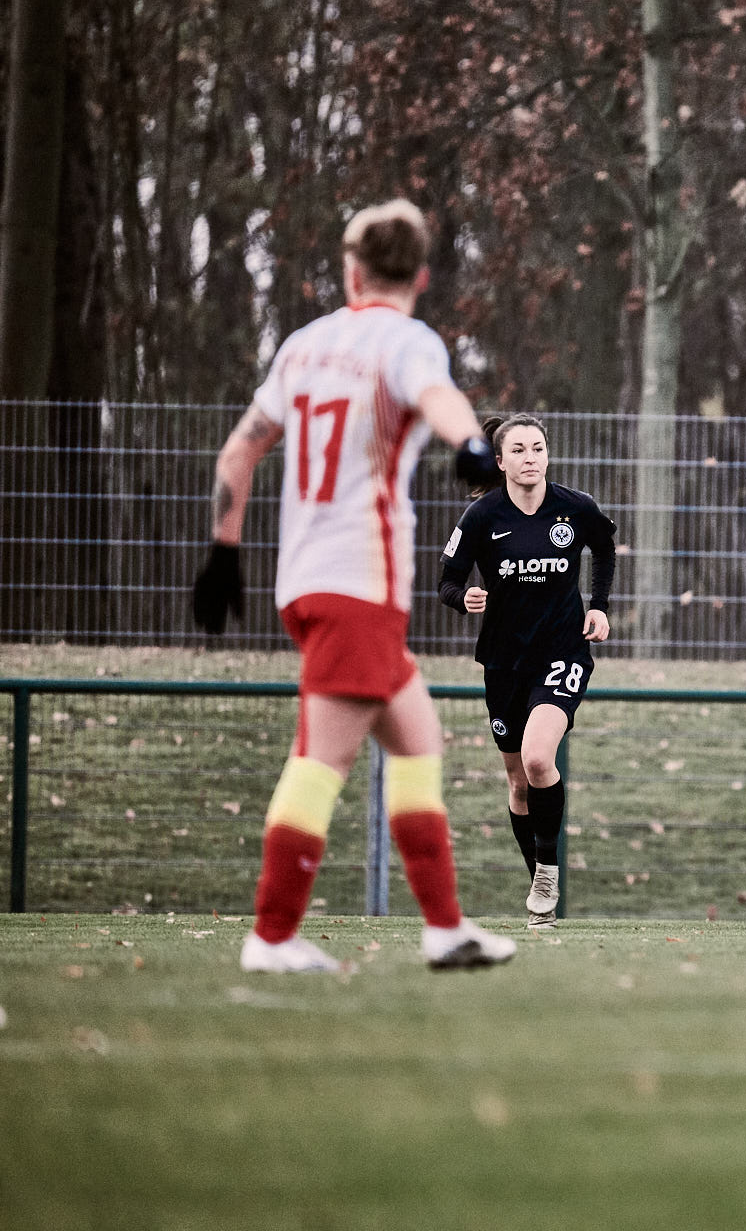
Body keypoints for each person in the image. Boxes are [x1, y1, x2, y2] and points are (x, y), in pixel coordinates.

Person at [192, 198, 518, 973]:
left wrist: (223, 554)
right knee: (320, 762)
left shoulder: (305, 346)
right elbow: (437, 398)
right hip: (358, 583)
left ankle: (445, 929)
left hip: (305, 581)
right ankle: (270, 938)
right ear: (424, 276)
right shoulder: (405, 340)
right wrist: (472, 442)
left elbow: (238, 455)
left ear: (352, 269)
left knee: (417, 738)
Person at [437, 413, 616, 928]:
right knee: (518, 784)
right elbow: (447, 581)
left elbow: (603, 547)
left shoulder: (574, 508)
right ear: (501, 461)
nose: (530, 457)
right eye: (518, 450)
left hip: (563, 651)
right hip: (503, 660)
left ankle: (548, 875)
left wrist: (599, 605)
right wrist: (462, 597)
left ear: (546, 454)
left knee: (540, 760)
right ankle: (538, 876)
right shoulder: (481, 517)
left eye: (537, 448)